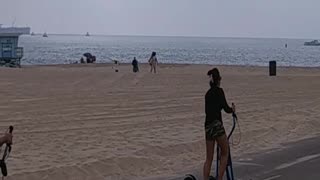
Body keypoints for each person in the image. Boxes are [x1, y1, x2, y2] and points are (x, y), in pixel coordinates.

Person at [203, 68, 235, 180]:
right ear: (218, 80)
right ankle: (219, 178)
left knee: (209, 158)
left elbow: (208, 111)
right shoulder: (219, 91)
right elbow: (226, 108)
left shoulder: (207, 94)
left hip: (207, 126)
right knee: (225, 152)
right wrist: (233, 110)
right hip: (217, 125)